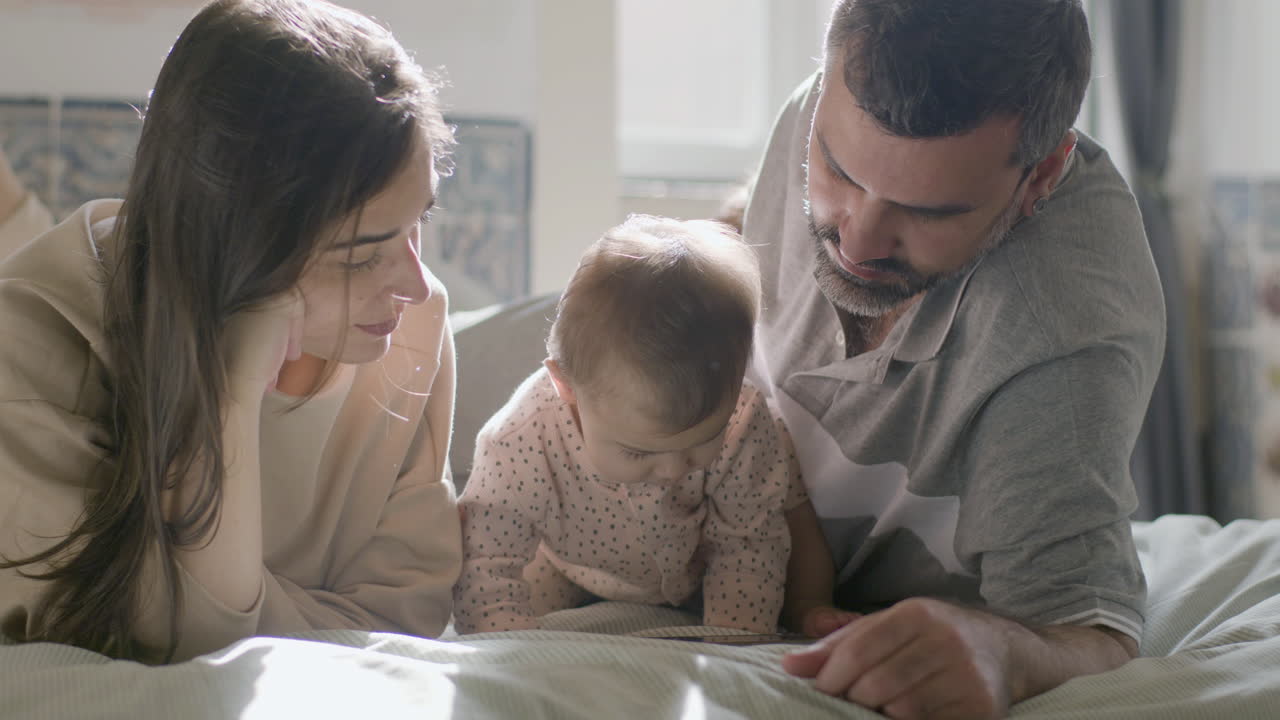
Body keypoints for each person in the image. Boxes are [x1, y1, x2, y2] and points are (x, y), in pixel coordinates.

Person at [0, 0, 461, 663]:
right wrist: (232, 392)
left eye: (421, 222)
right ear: (231, 243)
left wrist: (209, 606)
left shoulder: (416, 326)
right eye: (362, 255)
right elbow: (108, 638)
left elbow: (403, 619)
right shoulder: (34, 338)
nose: (416, 286)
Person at [744, 0, 1165, 716]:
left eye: (928, 212)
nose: (861, 242)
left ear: (1041, 176)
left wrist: (1003, 652)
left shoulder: (1062, 327)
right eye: (840, 173)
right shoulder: (811, 111)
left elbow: (1087, 631)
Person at [452, 215, 833, 635]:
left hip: (696, 569)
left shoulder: (744, 421)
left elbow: (747, 546)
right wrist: (508, 642)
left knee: (790, 536)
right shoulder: (520, 441)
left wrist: (733, 642)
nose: (674, 471)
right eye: (638, 451)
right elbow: (487, 560)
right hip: (567, 565)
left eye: (703, 440)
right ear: (568, 388)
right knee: (525, 619)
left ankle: (811, 608)